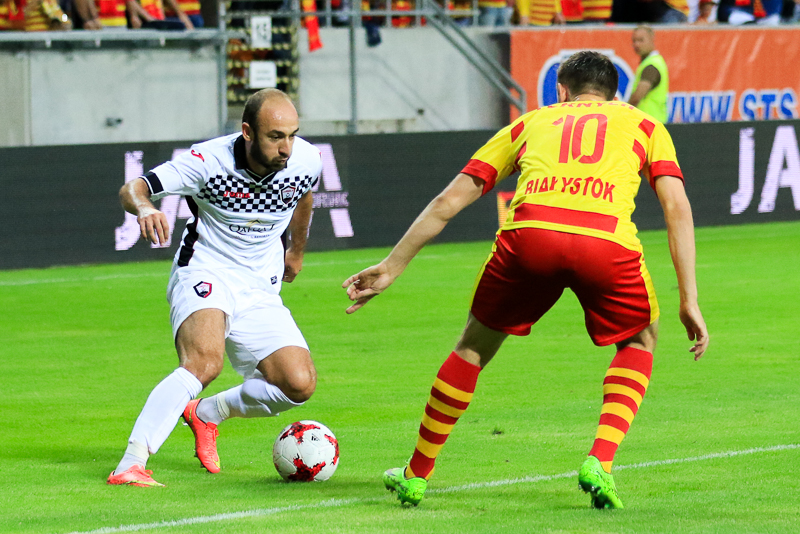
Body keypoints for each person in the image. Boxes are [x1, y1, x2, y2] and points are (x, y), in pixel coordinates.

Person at [343, 50, 708, 509]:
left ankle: (416, 475)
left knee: (472, 347)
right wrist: (689, 298)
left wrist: (391, 266)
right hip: (605, 243)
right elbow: (676, 207)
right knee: (638, 340)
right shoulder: (646, 126)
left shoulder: (529, 123)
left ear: (562, 90)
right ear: (614, 94)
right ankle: (600, 461)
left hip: (530, 237)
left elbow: (447, 201)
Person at [108, 88, 321, 487]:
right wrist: (146, 207)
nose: (286, 148)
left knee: (298, 384)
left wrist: (296, 250)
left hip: (259, 286)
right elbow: (133, 188)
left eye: (292, 135)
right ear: (247, 132)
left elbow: (304, 195)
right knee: (205, 363)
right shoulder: (206, 162)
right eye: (276, 136)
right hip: (206, 270)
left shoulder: (305, 158)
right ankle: (131, 462)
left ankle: (207, 412)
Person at [629, 26, 669, 124]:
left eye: (641, 40)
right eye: (634, 41)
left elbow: (637, 97)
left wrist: (623, 111)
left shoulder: (651, 66)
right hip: (654, 122)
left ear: (652, 40)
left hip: (649, 124)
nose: (636, 44)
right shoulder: (654, 62)